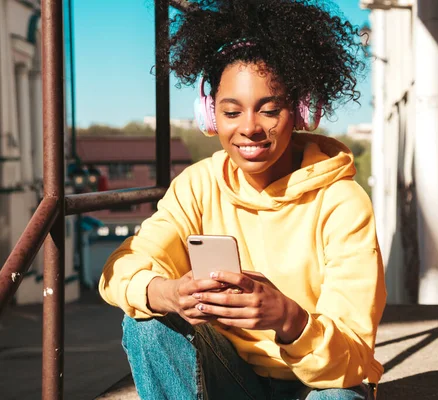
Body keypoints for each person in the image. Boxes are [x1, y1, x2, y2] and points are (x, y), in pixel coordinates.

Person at [99, 1, 386, 399]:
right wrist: (169, 293)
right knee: (147, 322)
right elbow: (121, 269)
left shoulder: (342, 202)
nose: (249, 128)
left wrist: (289, 319)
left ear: (301, 109)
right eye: (231, 112)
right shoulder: (198, 185)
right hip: (233, 378)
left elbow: (353, 358)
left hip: (317, 384)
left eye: (269, 110)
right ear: (210, 114)